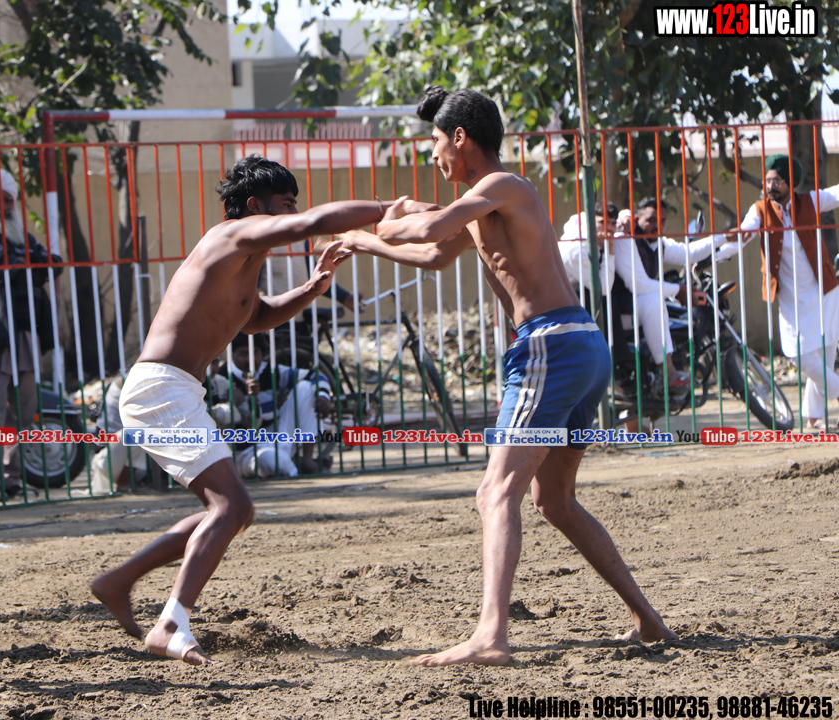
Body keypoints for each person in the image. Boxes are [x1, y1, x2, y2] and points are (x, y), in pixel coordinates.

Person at [341, 86, 676, 666]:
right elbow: (434, 255)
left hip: (550, 347)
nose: (433, 154)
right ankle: (648, 620)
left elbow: (427, 230)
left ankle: (490, 636)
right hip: (576, 346)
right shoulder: (483, 203)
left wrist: (380, 226)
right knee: (556, 501)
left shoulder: (502, 185)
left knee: (495, 491)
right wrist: (369, 242)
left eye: (436, 141)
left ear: (461, 138)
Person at [90, 154, 400, 666]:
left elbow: (254, 317)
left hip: (173, 392)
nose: (292, 214)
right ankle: (170, 624)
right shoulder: (230, 236)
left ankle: (120, 581)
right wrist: (388, 208)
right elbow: (314, 223)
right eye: (286, 204)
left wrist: (313, 288)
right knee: (231, 508)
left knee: (233, 509)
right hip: (162, 390)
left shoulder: (243, 260)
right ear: (256, 206)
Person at [0, 169, 61, 503]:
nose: (3, 206)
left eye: (8, 200)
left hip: (26, 334)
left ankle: (12, 477)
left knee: (22, 410)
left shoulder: (24, 237)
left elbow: (55, 263)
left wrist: (24, 261)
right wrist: (27, 262)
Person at [737, 155, 839, 429]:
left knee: (825, 356)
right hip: (790, 298)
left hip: (825, 291)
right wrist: (718, 251)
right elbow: (742, 234)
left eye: (777, 181)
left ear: (790, 183)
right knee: (799, 355)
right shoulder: (759, 210)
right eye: (768, 180)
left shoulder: (810, 201)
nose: (771, 186)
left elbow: (835, 194)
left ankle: (814, 417)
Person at [611, 196, 739, 392]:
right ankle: (669, 373)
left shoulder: (657, 244)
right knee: (654, 302)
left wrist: (724, 237)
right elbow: (639, 285)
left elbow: (688, 253)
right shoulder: (625, 239)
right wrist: (679, 290)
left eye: (662, 221)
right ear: (636, 220)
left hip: (634, 306)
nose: (657, 226)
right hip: (617, 312)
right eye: (651, 220)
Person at [211, 332, 332, 477]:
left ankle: (306, 459)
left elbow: (314, 375)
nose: (250, 359)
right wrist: (243, 401)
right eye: (243, 354)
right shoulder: (222, 378)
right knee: (273, 461)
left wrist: (323, 396)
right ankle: (294, 466)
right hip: (245, 450)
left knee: (305, 387)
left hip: (278, 438)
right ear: (232, 355)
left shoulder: (270, 371)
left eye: (255, 353)